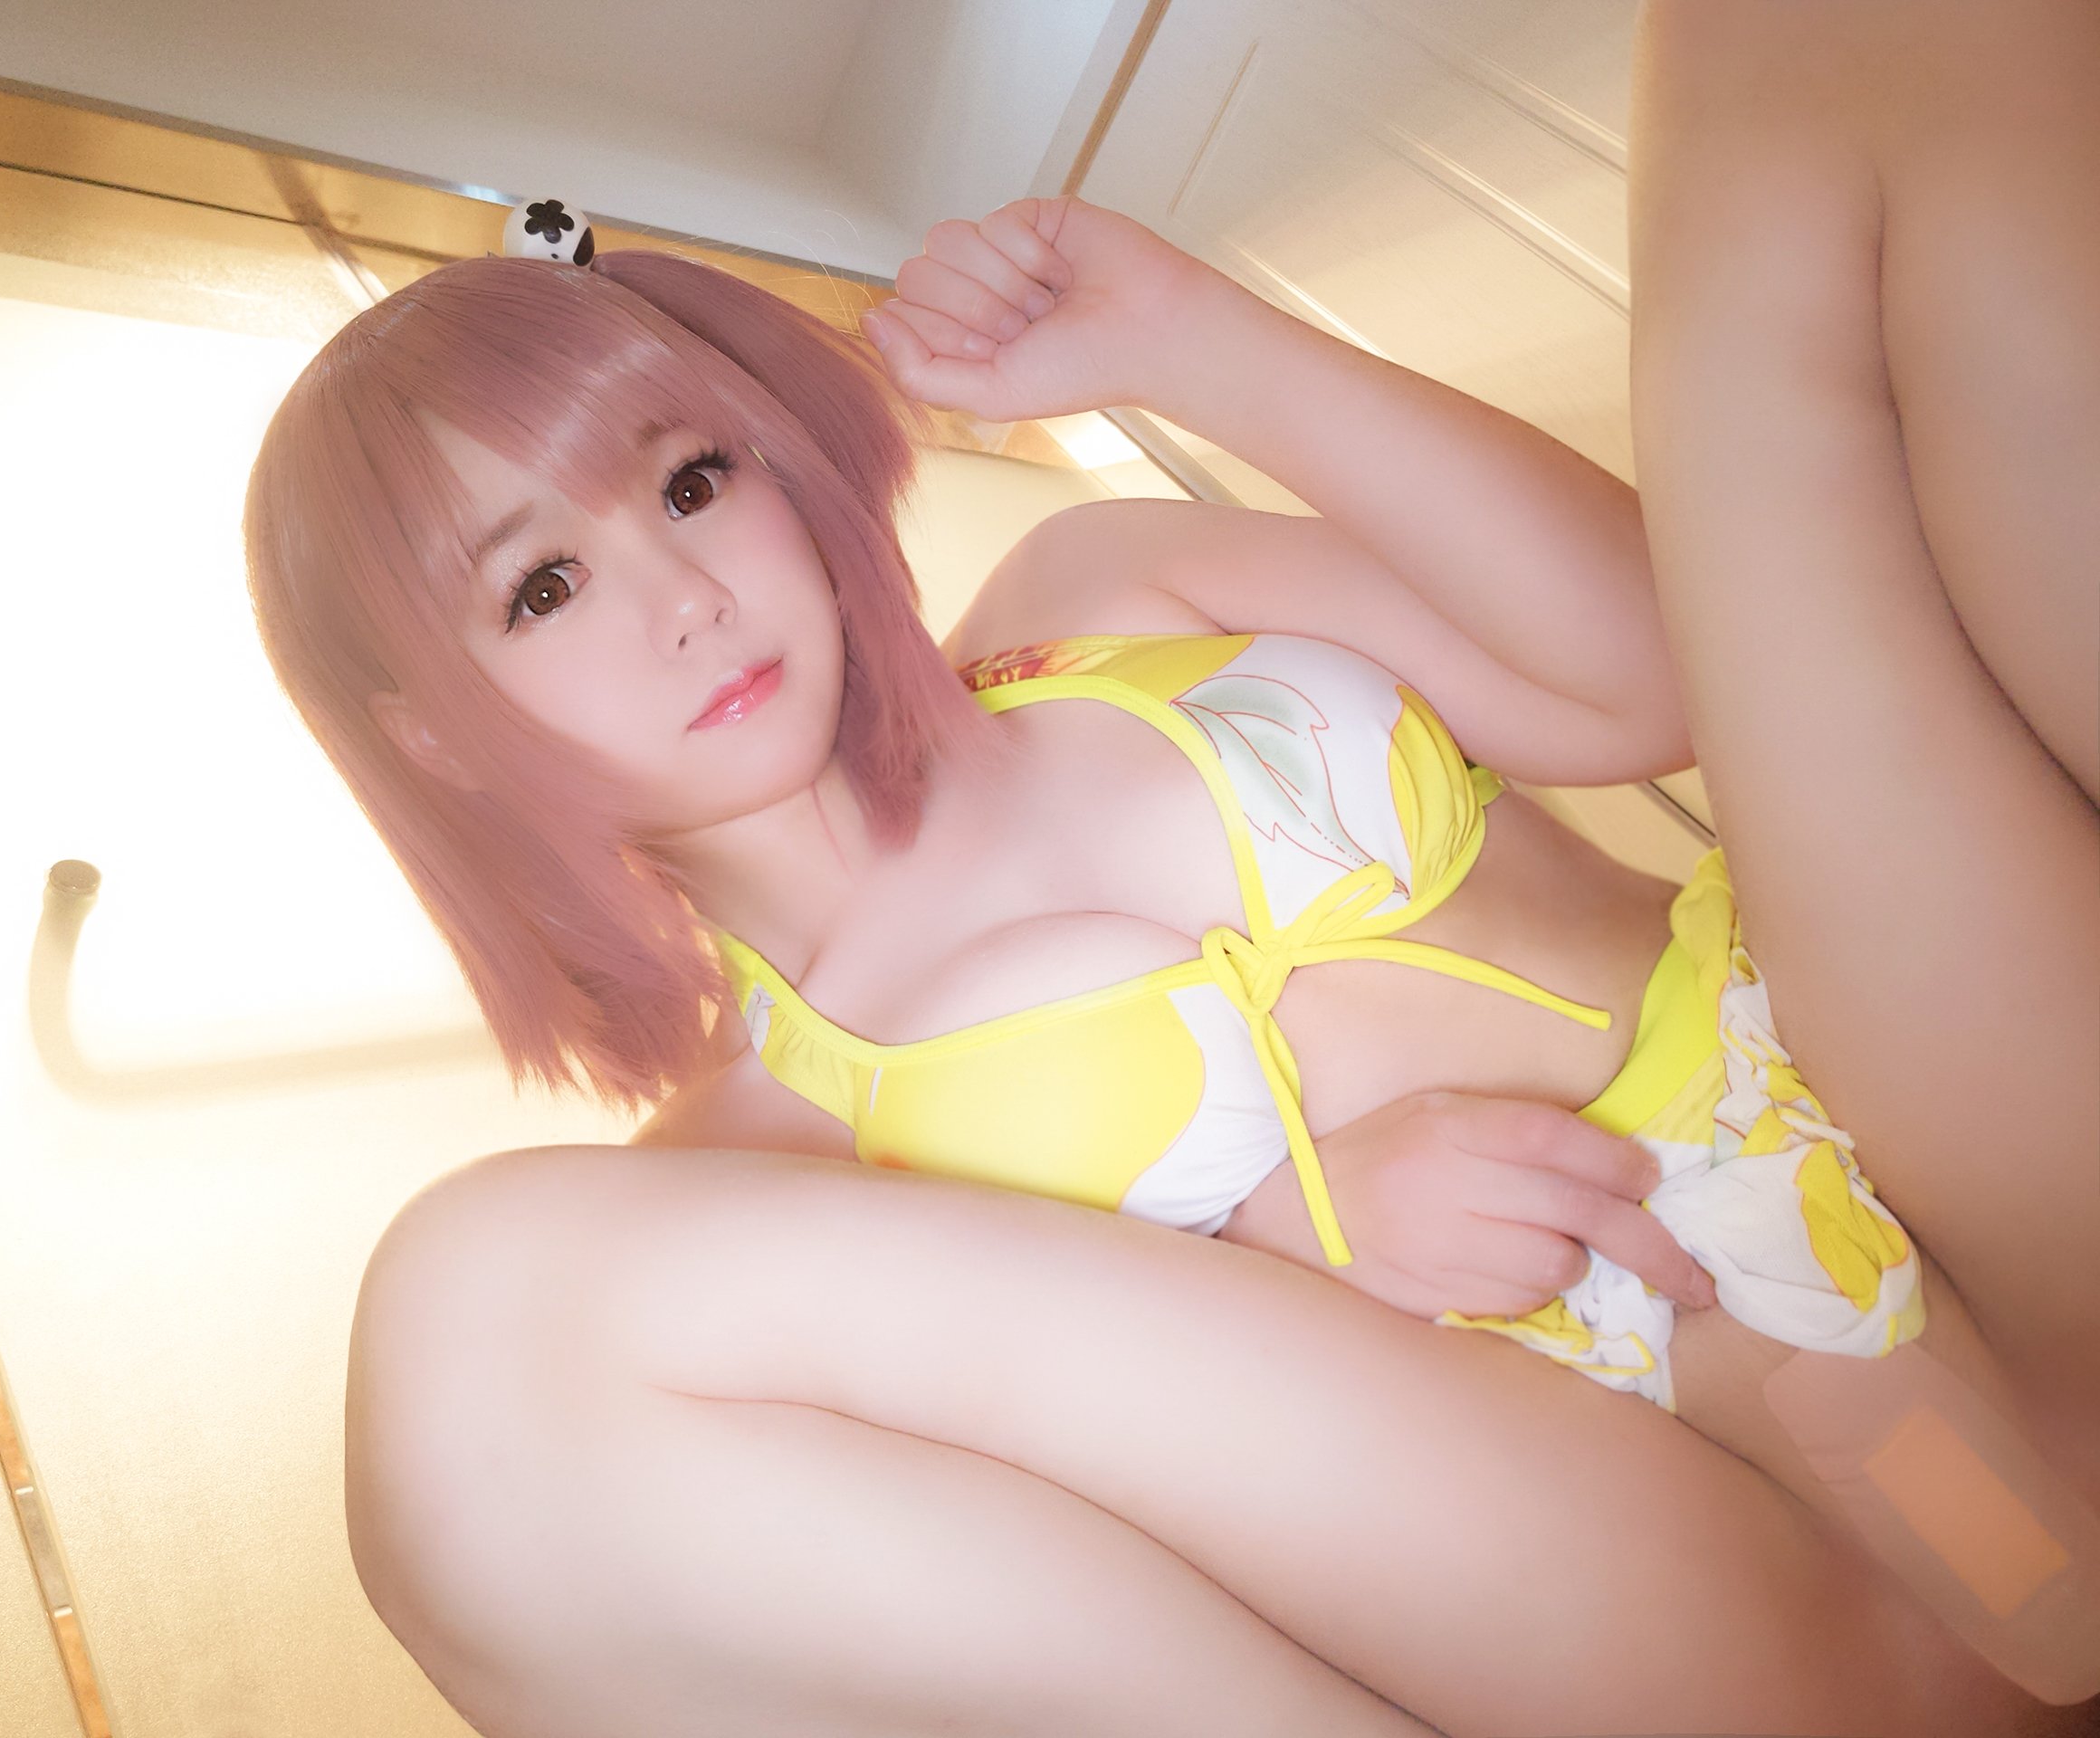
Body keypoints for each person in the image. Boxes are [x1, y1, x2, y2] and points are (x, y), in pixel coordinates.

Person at [243, 2, 2099, 1732]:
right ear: (430, 733)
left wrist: (1192, 341)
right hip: (1685, 1507)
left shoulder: (1089, 597)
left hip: (1874, 1069)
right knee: (484, 1333)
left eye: (686, 481)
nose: (681, 596)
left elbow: (1647, 670)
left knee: (1785, 37)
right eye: (542, 586)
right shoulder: (736, 1179)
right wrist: (1278, 1236)